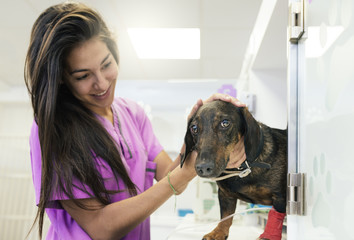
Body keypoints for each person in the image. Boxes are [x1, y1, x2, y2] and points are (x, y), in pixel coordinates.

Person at [24, 2, 245, 240]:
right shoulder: (52, 130)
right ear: (61, 79)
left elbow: (170, 177)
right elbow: (100, 227)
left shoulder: (132, 113)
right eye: (83, 76)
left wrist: (200, 130)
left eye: (106, 64)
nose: (102, 83)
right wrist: (182, 174)